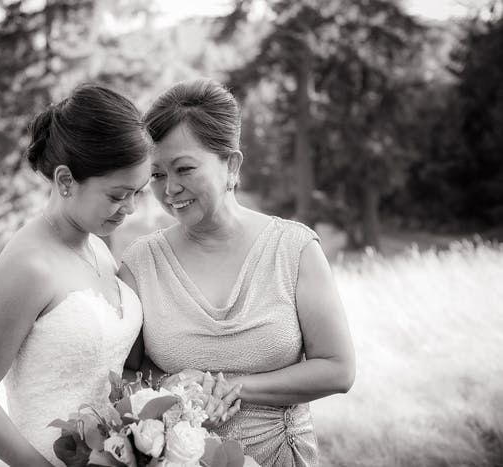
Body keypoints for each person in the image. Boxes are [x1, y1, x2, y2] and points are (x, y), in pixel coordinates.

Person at [120, 78, 355, 466]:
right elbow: (123, 375)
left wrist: (234, 388)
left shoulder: (295, 250)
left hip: (282, 456)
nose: (170, 189)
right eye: (157, 175)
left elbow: (338, 369)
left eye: (184, 169)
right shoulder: (140, 263)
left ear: (232, 164)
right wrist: (168, 389)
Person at [0, 84, 153, 467]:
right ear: (65, 181)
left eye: (137, 193)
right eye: (116, 195)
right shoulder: (27, 267)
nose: (129, 209)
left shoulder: (96, 244)